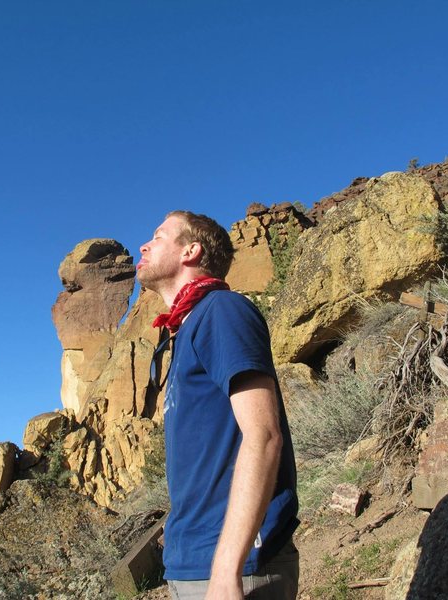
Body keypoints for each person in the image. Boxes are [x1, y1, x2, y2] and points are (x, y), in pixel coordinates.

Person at [137, 210, 299, 600]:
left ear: (190, 251)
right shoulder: (186, 330)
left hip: (234, 570)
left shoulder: (221, 311)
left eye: (158, 236)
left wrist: (227, 571)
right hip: (191, 564)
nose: (144, 244)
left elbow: (264, 436)